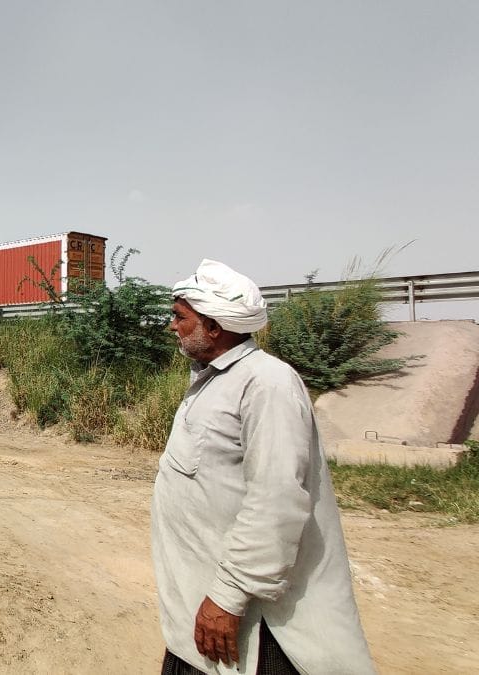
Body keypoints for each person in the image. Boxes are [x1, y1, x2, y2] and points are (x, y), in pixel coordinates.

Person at [151, 259, 375, 675]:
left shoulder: (267, 384)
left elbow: (276, 502)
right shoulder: (216, 379)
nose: (172, 327)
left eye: (180, 318)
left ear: (214, 326)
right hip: (202, 604)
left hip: (246, 620)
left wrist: (227, 597)